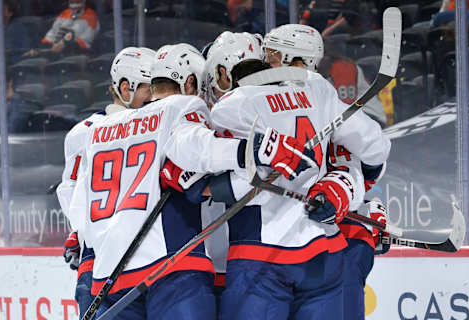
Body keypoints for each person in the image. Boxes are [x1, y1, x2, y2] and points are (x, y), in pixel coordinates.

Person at [74, 40, 313, 319]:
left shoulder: (98, 130)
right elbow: (196, 148)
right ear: (189, 82)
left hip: (107, 276)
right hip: (171, 270)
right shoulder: (181, 107)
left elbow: (80, 213)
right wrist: (253, 150)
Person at [202, 31, 390, 320]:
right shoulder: (317, 89)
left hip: (258, 256)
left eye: (272, 53)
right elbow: (375, 148)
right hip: (322, 250)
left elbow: (208, 185)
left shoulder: (232, 105)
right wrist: (352, 188)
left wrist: (226, 185)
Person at [262, 24, 389, 319]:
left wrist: (362, 201)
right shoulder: (266, 97)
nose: (265, 60)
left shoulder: (321, 99)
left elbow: (363, 162)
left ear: (294, 58)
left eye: (272, 53)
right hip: (288, 247)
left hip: (324, 243)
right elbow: (373, 154)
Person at [56, 46, 155, 318]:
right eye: (150, 88)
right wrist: (81, 231)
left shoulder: (155, 126)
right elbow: (71, 193)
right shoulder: (87, 133)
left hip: (147, 262)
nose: (156, 97)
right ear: (126, 89)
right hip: (99, 264)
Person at [263, 24, 387, 126]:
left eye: (273, 59)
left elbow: (345, 107)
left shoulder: (343, 68)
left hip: (368, 118)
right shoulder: (305, 78)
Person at [24, 0, 100, 57]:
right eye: (72, 2)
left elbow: (79, 40)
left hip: (78, 54)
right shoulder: (64, 14)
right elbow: (50, 36)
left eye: (77, 1)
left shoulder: (91, 16)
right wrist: (40, 50)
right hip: (55, 55)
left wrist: (63, 44)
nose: (74, 4)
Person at [4, 0, 31, 65]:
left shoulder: (16, 27)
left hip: (13, 64)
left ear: (10, 13)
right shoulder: (1, 27)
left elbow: (24, 49)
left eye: (3, 9)